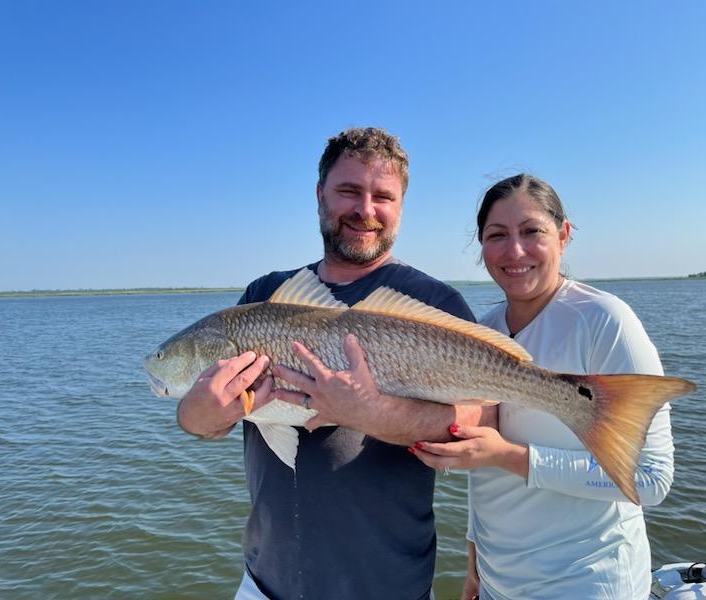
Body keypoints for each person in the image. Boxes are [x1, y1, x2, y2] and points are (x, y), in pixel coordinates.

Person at [176, 127, 494, 600]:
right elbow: (196, 422)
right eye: (348, 191)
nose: (365, 210)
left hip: (391, 588)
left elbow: (484, 418)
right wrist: (204, 410)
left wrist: (370, 413)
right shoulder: (263, 296)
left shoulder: (433, 301)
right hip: (265, 584)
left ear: (400, 206)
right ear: (319, 193)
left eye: (382, 196)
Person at [411, 174, 674, 600]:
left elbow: (650, 479)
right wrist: (474, 560)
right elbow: (485, 471)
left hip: (588, 581)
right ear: (481, 246)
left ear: (563, 235)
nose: (515, 251)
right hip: (498, 581)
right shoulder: (482, 331)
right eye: (497, 235)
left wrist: (510, 456)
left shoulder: (605, 321)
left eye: (532, 231)